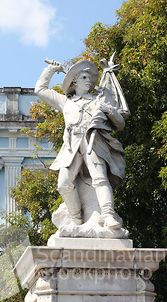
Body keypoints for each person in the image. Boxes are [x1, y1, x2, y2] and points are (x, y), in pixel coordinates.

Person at [35, 58, 128, 230]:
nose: (89, 81)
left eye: (91, 79)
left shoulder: (98, 100)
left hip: (93, 142)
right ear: (74, 81)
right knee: (63, 184)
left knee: (100, 179)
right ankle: (75, 219)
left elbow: (120, 124)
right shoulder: (66, 102)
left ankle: (108, 216)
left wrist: (108, 109)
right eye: (85, 77)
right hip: (72, 147)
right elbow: (40, 89)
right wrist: (50, 70)